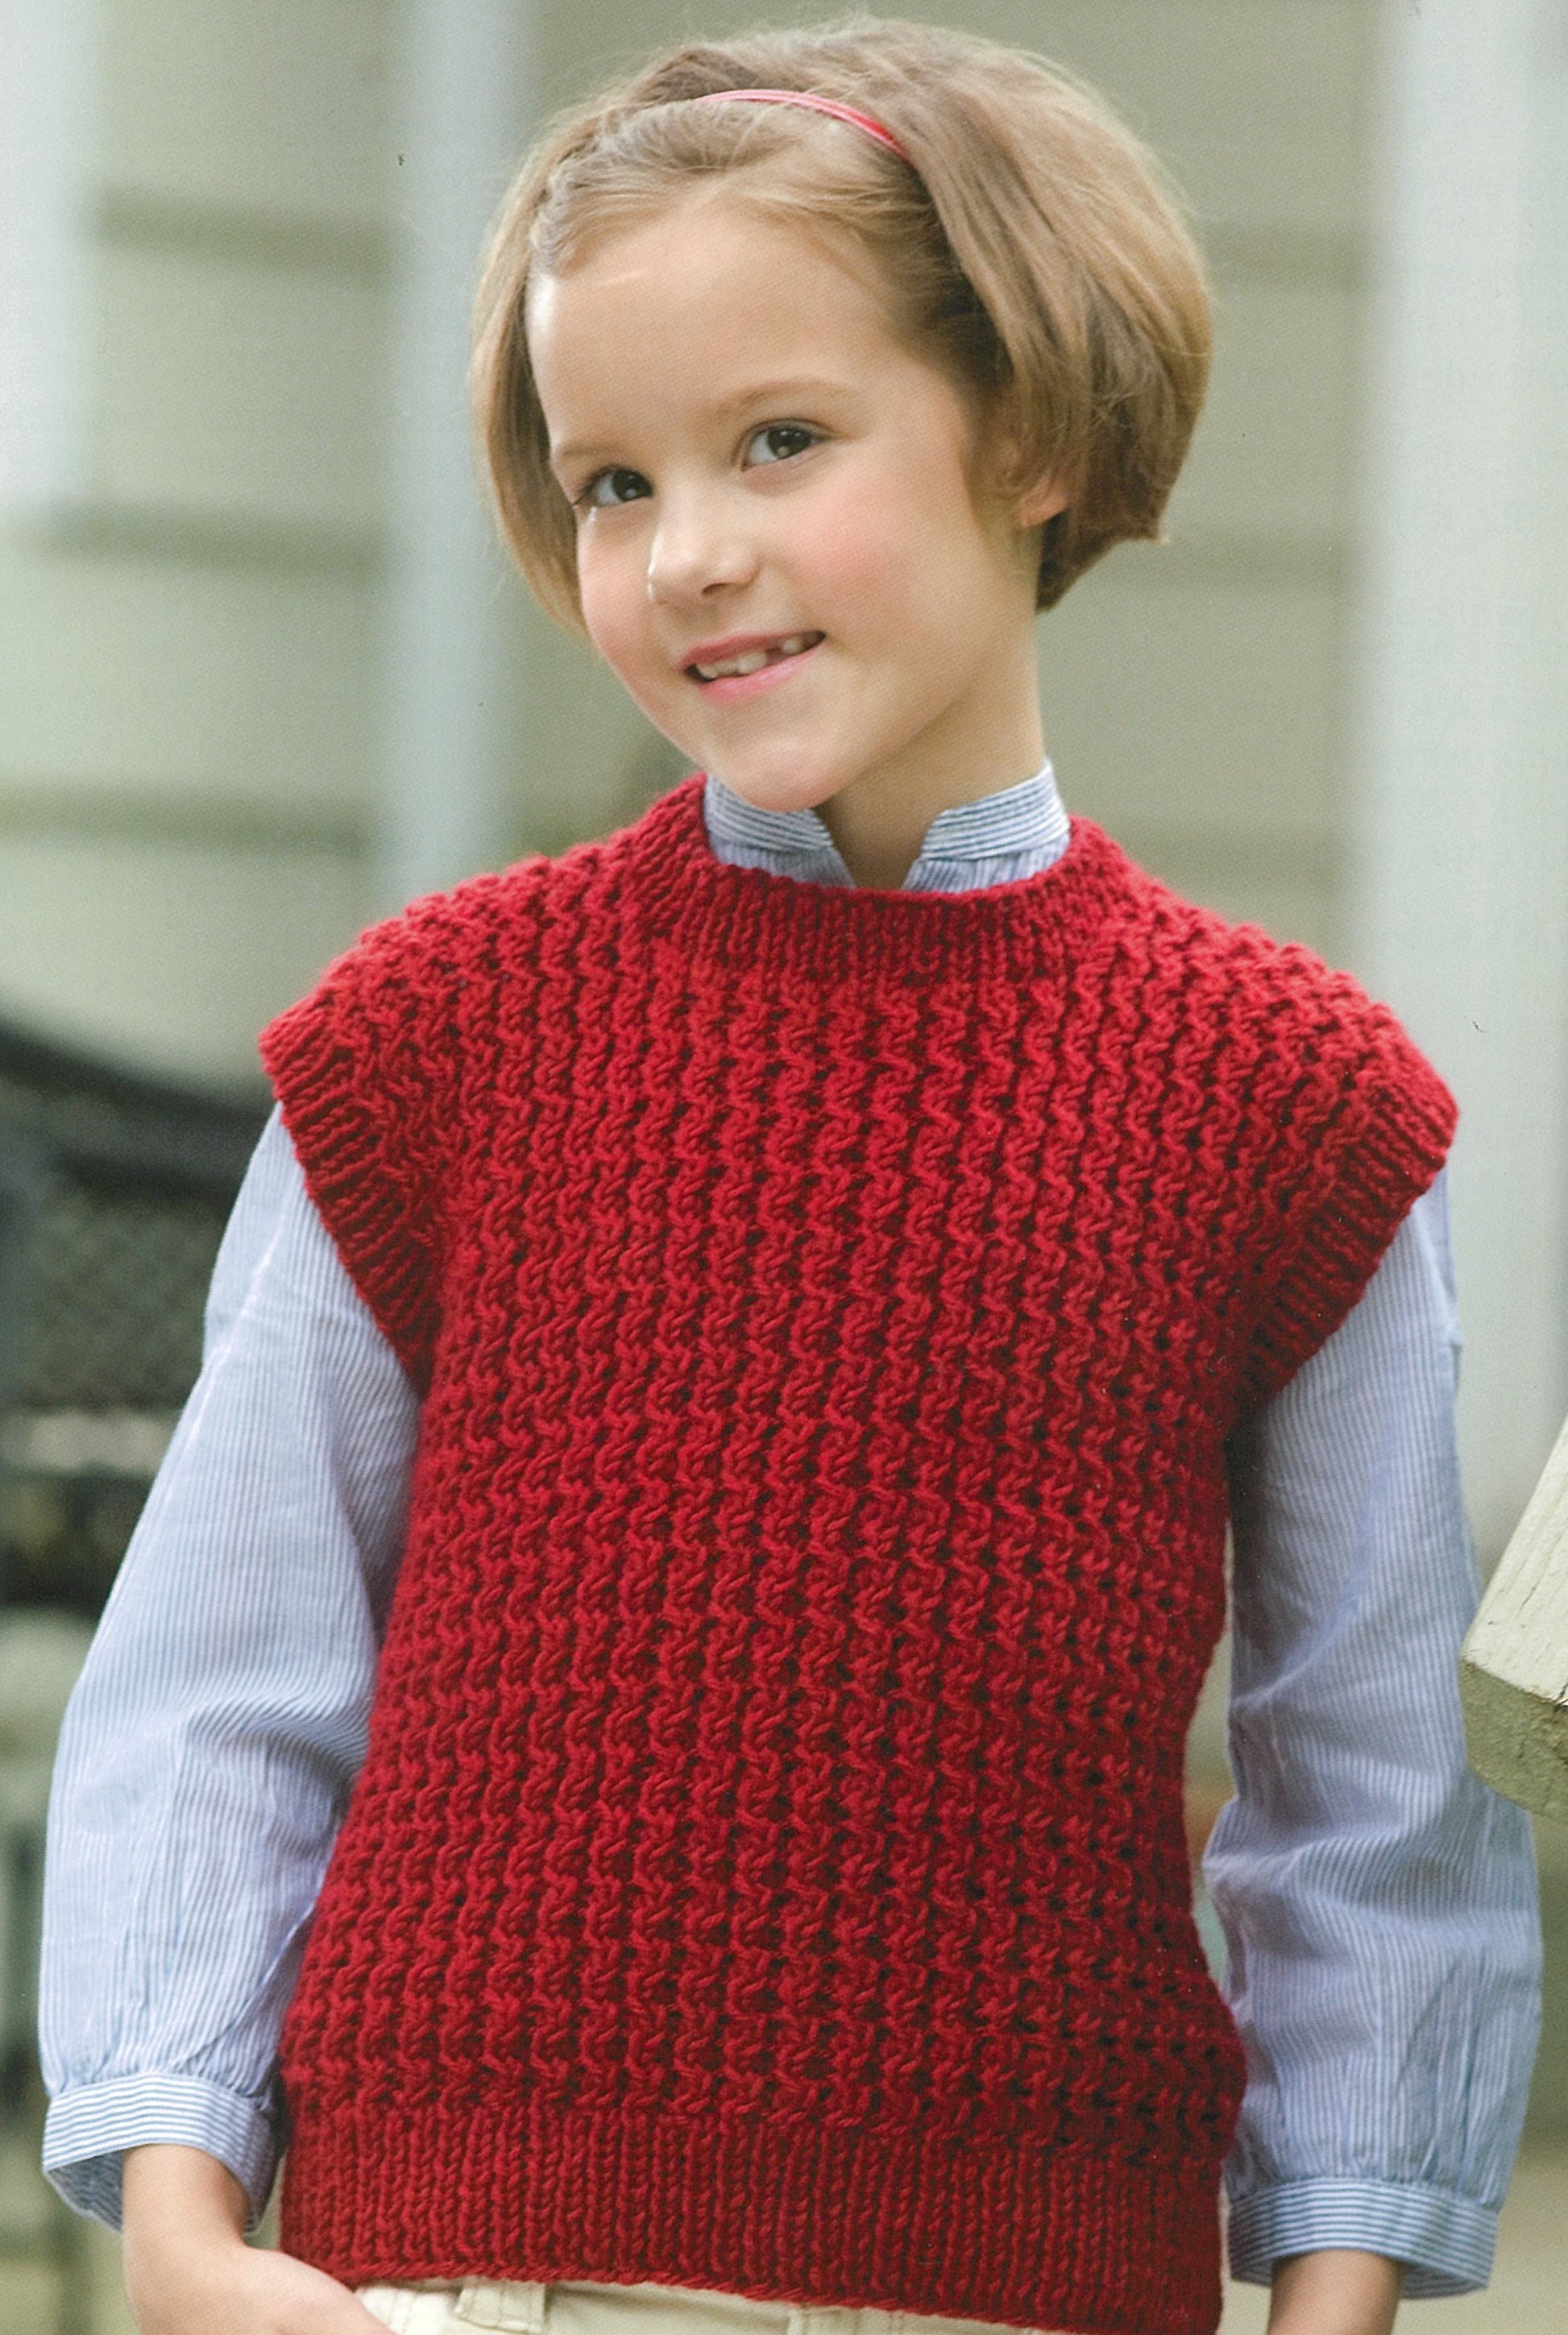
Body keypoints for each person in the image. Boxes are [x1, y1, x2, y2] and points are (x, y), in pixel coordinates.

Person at [38, 20, 1539, 2335]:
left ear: (1029, 430)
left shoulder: (1285, 1106)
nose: (690, 554)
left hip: (1022, 2284)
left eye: (778, 440)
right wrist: (181, 2222)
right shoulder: (433, 1042)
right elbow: (226, 1684)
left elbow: (1363, 1805)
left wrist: (1331, 2295)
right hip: (453, 2268)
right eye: (610, 481)